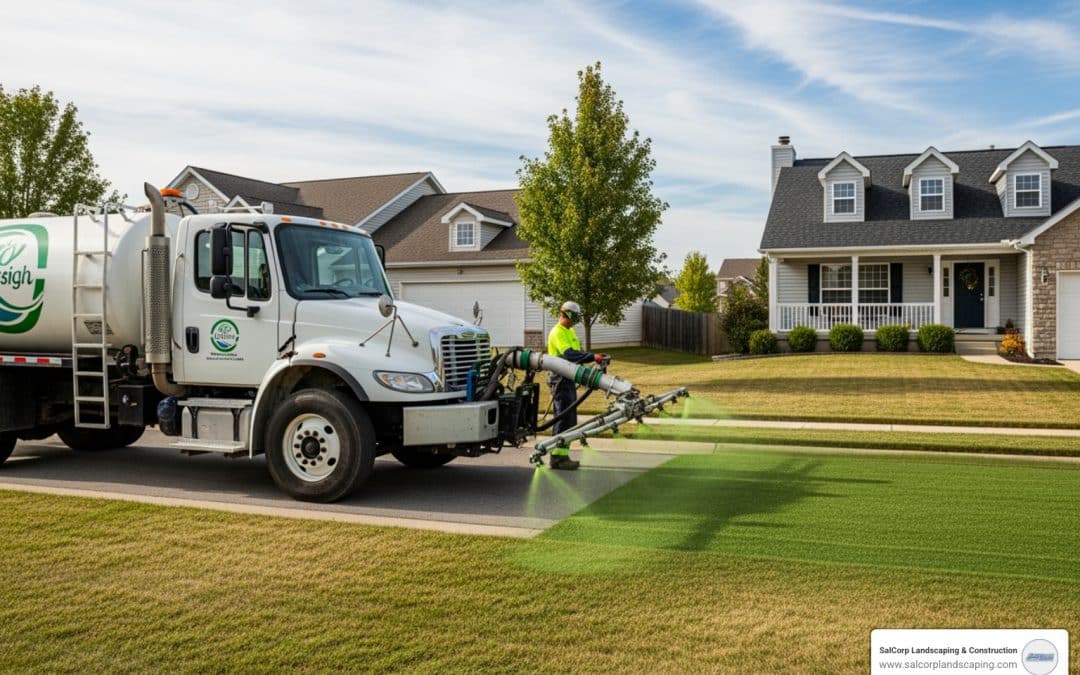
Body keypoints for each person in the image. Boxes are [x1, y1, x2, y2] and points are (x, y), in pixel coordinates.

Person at [546, 301, 606, 470]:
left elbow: (577, 354)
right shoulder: (557, 332)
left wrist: (592, 358)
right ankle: (556, 457)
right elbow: (569, 354)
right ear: (567, 314)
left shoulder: (570, 331)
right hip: (560, 380)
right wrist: (592, 357)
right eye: (575, 317)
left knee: (570, 419)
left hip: (568, 379)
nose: (576, 321)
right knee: (563, 418)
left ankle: (562, 455)